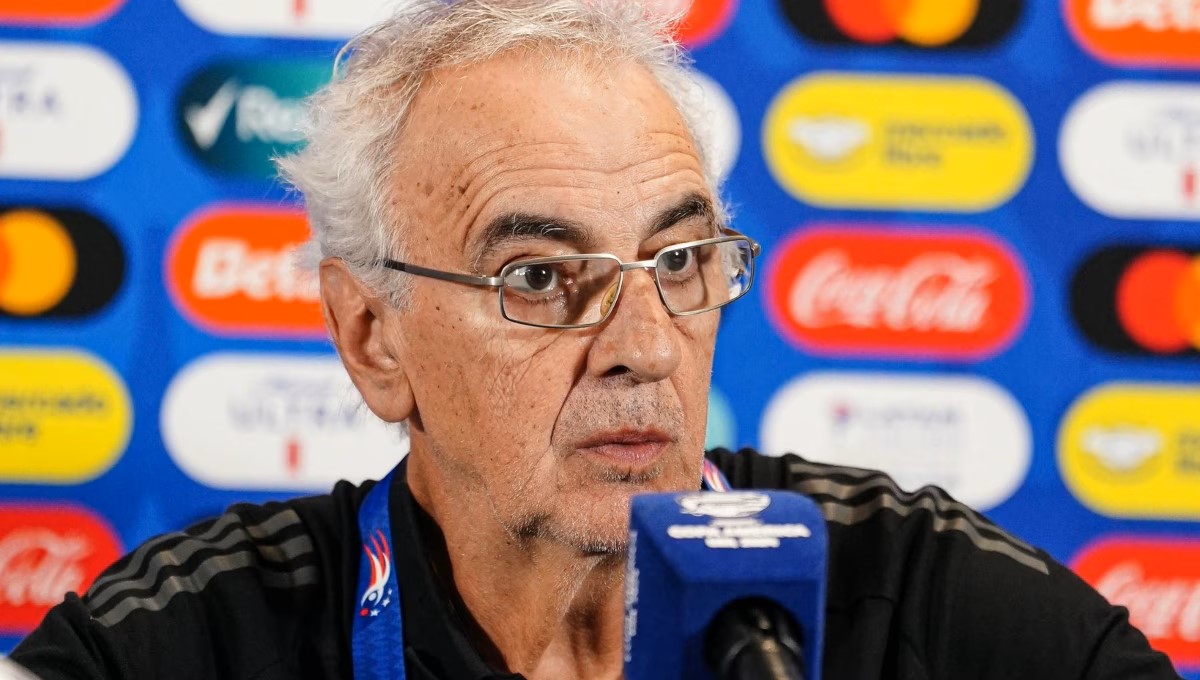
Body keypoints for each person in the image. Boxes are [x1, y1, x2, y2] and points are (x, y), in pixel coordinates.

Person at [10, 1, 1183, 679]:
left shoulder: (912, 596)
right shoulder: (197, 640)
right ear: (373, 338)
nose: (645, 347)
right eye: (539, 276)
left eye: (678, 263)